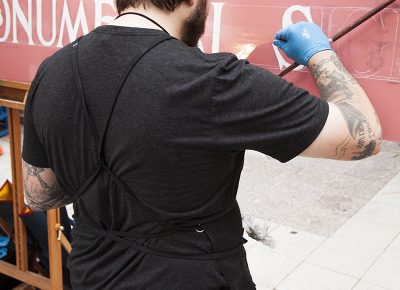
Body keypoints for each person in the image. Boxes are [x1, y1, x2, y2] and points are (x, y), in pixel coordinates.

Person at [21, 0, 382, 289]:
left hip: (92, 273)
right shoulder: (212, 80)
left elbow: (39, 195)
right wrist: (320, 54)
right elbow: (362, 135)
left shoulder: (52, 70)